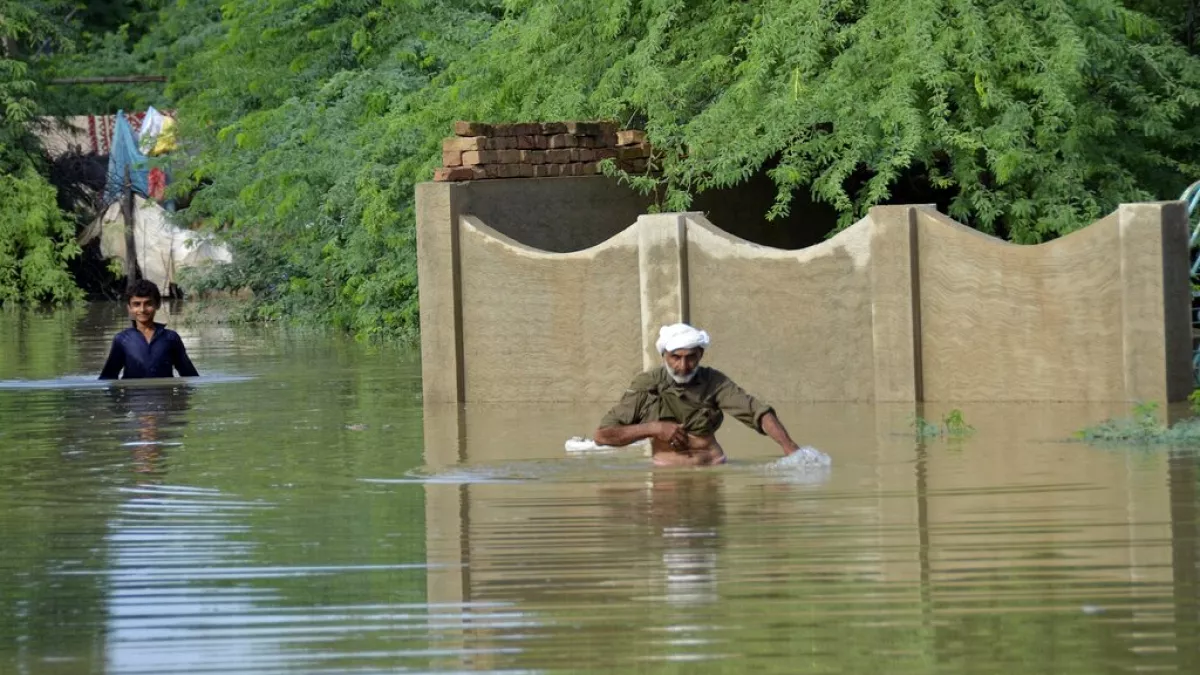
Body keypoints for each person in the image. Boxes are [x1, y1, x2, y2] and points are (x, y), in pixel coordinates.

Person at [593, 322, 807, 466]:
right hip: (666, 476)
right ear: (664, 356)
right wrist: (654, 428)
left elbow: (758, 412)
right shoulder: (647, 383)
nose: (684, 366)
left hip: (712, 468)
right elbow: (602, 435)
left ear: (701, 354)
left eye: (691, 357)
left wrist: (791, 449)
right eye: (676, 357)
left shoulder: (714, 381)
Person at [98, 279, 199, 380]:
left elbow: (190, 376)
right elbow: (107, 377)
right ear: (129, 307)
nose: (142, 309)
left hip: (165, 394)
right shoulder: (122, 340)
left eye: (148, 303)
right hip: (133, 394)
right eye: (137, 304)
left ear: (158, 304)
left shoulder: (170, 338)